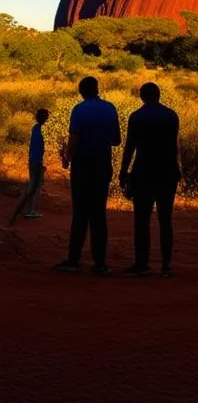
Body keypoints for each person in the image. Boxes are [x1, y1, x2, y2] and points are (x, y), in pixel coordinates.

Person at [55, 77, 121, 274]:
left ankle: (73, 259)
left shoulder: (79, 109)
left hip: (82, 166)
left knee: (80, 214)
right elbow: (116, 140)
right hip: (102, 165)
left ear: (82, 91)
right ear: (97, 89)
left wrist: (67, 156)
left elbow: (74, 138)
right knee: (99, 214)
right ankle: (100, 263)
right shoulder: (110, 108)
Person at [120, 83, 181, 277]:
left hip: (143, 172)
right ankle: (166, 265)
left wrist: (123, 171)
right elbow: (175, 146)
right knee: (165, 220)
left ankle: (142, 263)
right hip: (168, 173)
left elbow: (130, 146)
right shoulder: (171, 116)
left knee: (142, 220)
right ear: (159, 95)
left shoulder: (137, 117)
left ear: (142, 96)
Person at [8, 108, 49, 224]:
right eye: (46, 116)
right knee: (33, 188)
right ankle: (18, 214)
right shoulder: (40, 131)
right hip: (36, 162)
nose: (47, 118)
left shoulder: (35, 128)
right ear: (43, 117)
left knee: (33, 187)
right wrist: (40, 164)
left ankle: (27, 210)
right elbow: (38, 150)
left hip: (33, 161)